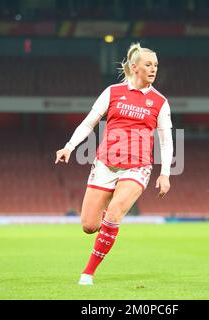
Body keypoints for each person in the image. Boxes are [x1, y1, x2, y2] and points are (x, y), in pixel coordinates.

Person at [55, 43, 173, 285]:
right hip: (105, 164)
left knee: (115, 213)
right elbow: (89, 123)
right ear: (134, 66)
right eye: (148, 64)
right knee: (89, 226)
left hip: (138, 166)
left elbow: (166, 139)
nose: (153, 69)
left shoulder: (160, 102)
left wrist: (166, 174)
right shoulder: (113, 92)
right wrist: (69, 146)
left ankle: (87, 273)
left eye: (156, 66)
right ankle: (108, 223)